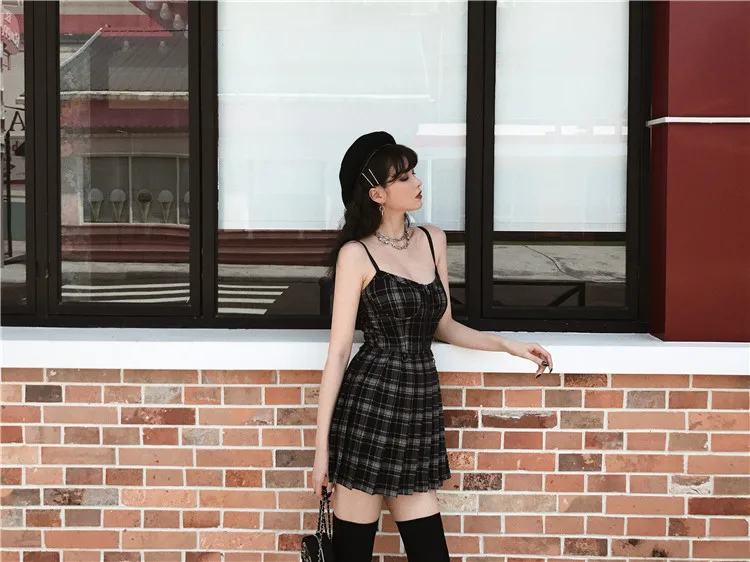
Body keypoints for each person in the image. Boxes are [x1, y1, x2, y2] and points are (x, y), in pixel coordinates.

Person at [312, 131, 553, 561]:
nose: (417, 182)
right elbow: (339, 353)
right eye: (404, 177)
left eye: (414, 173)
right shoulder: (356, 254)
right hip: (369, 409)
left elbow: (445, 325)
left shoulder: (432, 239)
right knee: (352, 554)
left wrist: (507, 345)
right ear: (377, 194)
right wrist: (321, 451)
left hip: (417, 411)